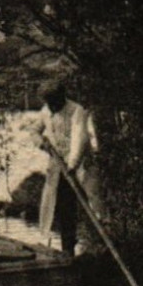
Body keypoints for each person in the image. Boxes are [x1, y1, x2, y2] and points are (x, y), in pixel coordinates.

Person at [32, 79, 104, 256]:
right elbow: (34, 131)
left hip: (80, 167)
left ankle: (99, 247)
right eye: (48, 103)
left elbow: (78, 142)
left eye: (53, 102)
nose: (51, 107)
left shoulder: (76, 112)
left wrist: (72, 165)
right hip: (58, 168)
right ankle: (68, 250)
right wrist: (42, 143)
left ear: (61, 98)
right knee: (65, 208)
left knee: (92, 205)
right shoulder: (46, 112)